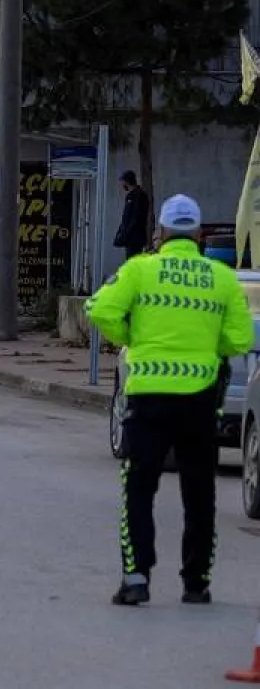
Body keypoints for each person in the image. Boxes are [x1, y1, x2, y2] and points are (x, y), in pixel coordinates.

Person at [86, 193, 253, 607]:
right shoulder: (222, 278)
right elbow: (240, 340)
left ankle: (137, 578)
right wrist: (206, 347)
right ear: (198, 234)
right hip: (198, 402)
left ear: (159, 232)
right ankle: (196, 583)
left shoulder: (140, 270)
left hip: (147, 400)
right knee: (200, 494)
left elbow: (99, 309)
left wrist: (131, 338)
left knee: (139, 490)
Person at [114, 170, 152, 261]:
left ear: (127, 182)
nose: (122, 185)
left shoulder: (139, 196)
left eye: (122, 182)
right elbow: (126, 218)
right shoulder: (130, 196)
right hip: (131, 238)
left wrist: (126, 233)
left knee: (133, 261)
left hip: (135, 238)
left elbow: (135, 218)